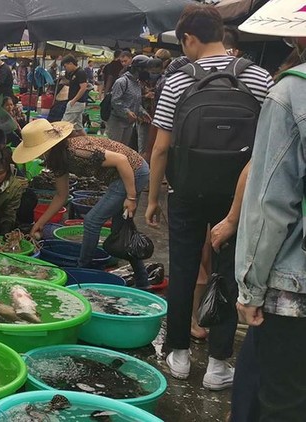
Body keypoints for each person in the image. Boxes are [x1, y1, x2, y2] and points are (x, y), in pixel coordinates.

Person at [145, 4, 273, 390]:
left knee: (183, 270)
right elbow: (269, 146)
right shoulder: (259, 77)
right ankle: (218, 364)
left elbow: (161, 149)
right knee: (228, 272)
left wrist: (153, 198)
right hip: (239, 197)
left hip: (185, 192)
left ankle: (179, 355)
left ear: (189, 39)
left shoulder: (178, 80)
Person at [229, 2, 306, 419]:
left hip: (296, 288)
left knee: (283, 401)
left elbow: (270, 206)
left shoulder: (291, 92)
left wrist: (250, 288)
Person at [15, 119, 151, 289]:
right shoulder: (58, 160)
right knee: (122, 233)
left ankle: (83, 268)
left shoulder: (77, 151)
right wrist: (39, 223)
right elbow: (61, 195)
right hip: (120, 177)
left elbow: (122, 160)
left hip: (133, 173)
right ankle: (143, 282)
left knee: (92, 221)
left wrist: (131, 198)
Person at [106, 55, 152, 147]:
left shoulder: (137, 83)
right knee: (115, 149)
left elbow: (136, 102)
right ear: (138, 69)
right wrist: (127, 112)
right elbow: (115, 101)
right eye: (145, 69)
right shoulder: (122, 82)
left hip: (129, 123)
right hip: (117, 122)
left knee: (124, 149)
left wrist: (142, 112)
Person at [60, 55, 89, 134]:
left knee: (64, 125)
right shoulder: (73, 73)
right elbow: (74, 85)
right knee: (78, 128)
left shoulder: (80, 72)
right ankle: (88, 144)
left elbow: (83, 88)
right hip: (76, 102)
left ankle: (65, 144)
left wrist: (74, 100)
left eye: (66, 66)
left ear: (71, 63)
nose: (66, 68)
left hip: (76, 103)